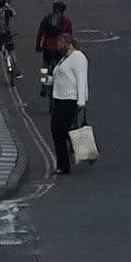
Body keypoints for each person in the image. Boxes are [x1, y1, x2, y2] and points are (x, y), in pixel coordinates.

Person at [49, 32, 90, 175]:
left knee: (60, 130)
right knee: (58, 130)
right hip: (59, 99)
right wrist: (48, 82)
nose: (59, 46)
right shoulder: (65, 58)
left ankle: (67, 161)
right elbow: (59, 75)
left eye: (61, 43)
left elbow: (81, 80)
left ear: (69, 43)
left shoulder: (78, 57)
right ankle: (80, 148)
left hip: (70, 100)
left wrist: (81, 101)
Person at [36, 0, 72, 91]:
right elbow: (69, 36)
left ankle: (44, 84)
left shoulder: (46, 19)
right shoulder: (66, 21)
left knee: (45, 65)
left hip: (47, 47)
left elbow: (40, 33)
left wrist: (38, 46)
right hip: (60, 48)